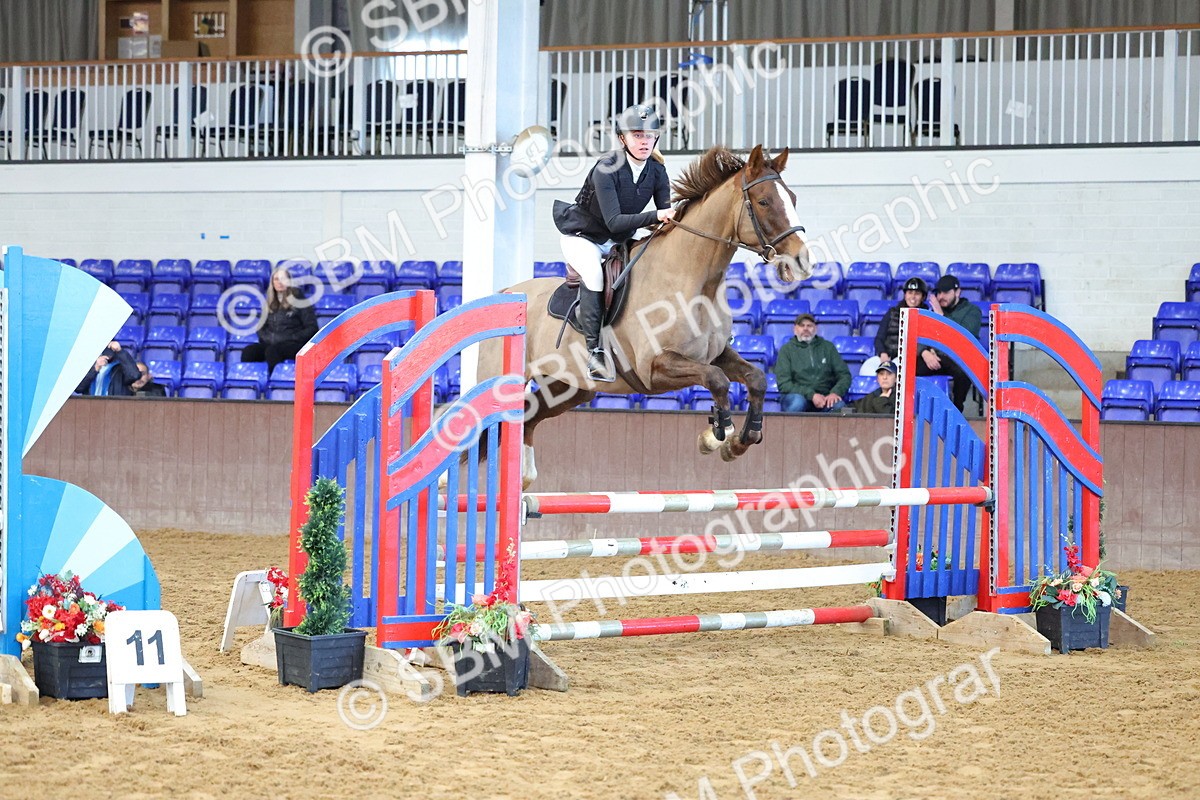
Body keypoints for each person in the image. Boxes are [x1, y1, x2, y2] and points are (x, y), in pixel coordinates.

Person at [552, 104, 676, 381]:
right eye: (637, 136)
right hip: (584, 237)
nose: (644, 141)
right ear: (623, 139)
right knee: (595, 273)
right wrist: (657, 215)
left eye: (649, 136)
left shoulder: (657, 171)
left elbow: (664, 216)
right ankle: (594, 352)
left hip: (618, 240)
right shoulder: (606, 168)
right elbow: (614, 222)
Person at [240, 266, 319, 374]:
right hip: (272, 343)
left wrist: (293, 337)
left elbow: (312, 328)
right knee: (249, 351)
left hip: (294, 344)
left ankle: (275, 384)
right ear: (272, 282)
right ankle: (247, 382)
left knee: (272, 351)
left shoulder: (300, 300)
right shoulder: (269, 302)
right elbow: (260, 328)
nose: (280, 282)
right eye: (276, 279)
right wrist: (269, 338)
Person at [922, 274, 982, 411]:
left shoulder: (972, 311)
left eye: (946, 292)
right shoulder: (933, 311)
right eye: (939, 293)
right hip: (934, 357)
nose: (941, 297)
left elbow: (963, 336)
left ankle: (957, 409)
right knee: (908, 365)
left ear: (957, 292)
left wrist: (940, 316)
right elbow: (921, 333)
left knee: (965, 370)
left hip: (958, 358)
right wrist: (924, 352)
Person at [774, 313, 851, 413]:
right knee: (798, 402)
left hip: (825, 398)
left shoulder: (828, 347)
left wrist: (835, 393)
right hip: (797, 396)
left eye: (809, 325)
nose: (805, 329)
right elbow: (784, 384)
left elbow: (844, 375)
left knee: (839, 406)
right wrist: (812, 395)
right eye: (802, 325)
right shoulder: (786, 350)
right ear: (795, 329)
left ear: (815, 329)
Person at [75, 340, 141, 396]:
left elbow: (134, 375)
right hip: (90, 406)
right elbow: (78, 388)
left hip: (113, 407)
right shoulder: (88, 367)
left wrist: (120, 351)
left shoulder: (120, 367)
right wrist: (95, 369)